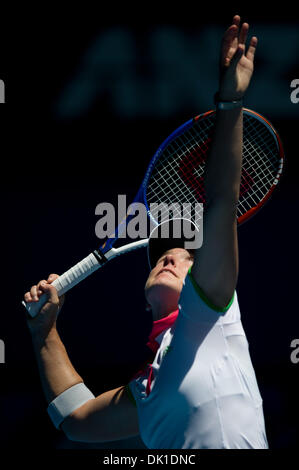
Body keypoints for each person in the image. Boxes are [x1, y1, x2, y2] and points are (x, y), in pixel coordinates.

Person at [24, 15, 268, 449]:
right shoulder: (146, 387)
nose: (170, 256)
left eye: (187, 257)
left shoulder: (210, 313)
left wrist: (230, 101)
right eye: (162, 254)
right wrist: (45, 332)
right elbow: (76, 419)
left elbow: (222, 200)